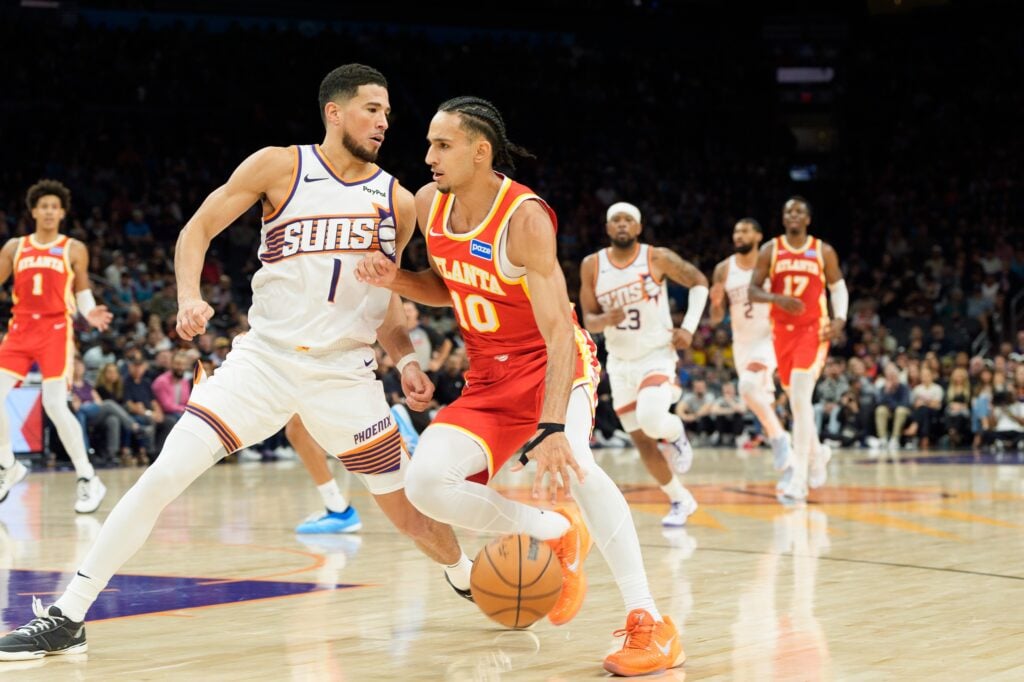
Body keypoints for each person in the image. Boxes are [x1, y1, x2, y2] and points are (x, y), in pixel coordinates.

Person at [0, 63, 470, 661]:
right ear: (334, 111)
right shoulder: (279, 166)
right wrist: (188, 297)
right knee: (161, 477)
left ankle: (473, 578)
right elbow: (197, 231)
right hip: (262, 363)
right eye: (371, 109)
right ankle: (68, 614)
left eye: (387, 113)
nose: (383, 122)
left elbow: (386, 302)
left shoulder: (398, 201)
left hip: (344, 374)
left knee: (411, 517)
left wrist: (404, 360)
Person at [355, 96, 684, 676]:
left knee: (577, 461)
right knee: (426, 484)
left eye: (442, 145)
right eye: (429, 143)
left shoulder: (524, 218)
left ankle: (651, 622)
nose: (428, 156)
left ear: (480, 152)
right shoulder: (430, 204)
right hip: (489, 375)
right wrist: (397, 279)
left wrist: (553, 427)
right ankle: (556, 531)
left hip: (552, 361)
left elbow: (559, 332)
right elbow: (448, 285)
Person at [578, 201, 707, 527]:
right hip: (620, 363)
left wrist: (689, 327)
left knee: (652, 419)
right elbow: (589, 319)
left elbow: (699, 281)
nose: (622, 224)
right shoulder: (592, 265)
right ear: (608, 228)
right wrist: (604, 319)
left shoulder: (656, 257)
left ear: (638, 227)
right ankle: (680, 499)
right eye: (616, 220)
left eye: (628, 220)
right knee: (642, 442)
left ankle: (676, 432)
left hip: (656, 356)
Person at [0, 180, 113, 512]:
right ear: (34, 211)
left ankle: (88, 477)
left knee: (54, 404)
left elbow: (82, 290)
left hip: (55, 329)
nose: (49, 211)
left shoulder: (73, 248)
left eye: (54, 207)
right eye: (43, 206)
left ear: (62, 213)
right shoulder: (15, 247)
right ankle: (8, 464)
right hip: (20, 329)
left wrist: (89, 312)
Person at [748, 196, 847, 502]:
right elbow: (753, 290)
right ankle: (818, 453)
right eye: (788, 211)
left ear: (807, 219)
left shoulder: (822, 250)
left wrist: (840, 319)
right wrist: (777, 299)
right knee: (797, 402)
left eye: (799, 211)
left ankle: (799, 477)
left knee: (801, 398)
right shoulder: (771, 249)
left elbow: (838, 288)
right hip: (781, 333)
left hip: (812, 331)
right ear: (783, 218)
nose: (793, 215)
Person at [709, 218, 791, 470]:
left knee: (746, 386)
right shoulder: (724, 269)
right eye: (736, 231)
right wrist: (715, 303)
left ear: (758, 236)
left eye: (745, 231)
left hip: (768, 337)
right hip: (742, 343)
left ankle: (780, 439)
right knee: (757, 399)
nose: (739, 235)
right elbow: (716, 318)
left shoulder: (770, 265)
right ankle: (795, 456)